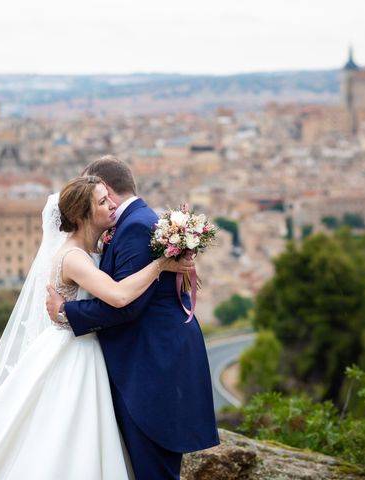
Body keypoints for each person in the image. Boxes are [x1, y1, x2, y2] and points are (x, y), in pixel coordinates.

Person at [0, 176, 192, 480]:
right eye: (102, 202)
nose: (112, 204)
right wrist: (161, 265)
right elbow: (119, 295)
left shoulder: (95, 249)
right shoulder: (73, 257)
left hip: (87, 347)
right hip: (74, 353)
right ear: (80, 215)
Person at [46, 156, 220, 480]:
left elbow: (126, 304)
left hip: (150, 365)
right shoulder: (131, 223)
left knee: (153, 469)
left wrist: (65, 311)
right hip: (141, 359)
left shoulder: (136, 226)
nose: (102, 205)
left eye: (98, 196)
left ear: (108, 190)